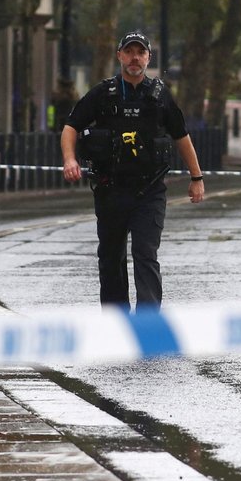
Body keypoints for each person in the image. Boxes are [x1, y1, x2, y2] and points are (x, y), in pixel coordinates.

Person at [61, 30, 205, 312]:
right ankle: (117, 323)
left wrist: (196, 178)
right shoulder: (103, 94)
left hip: (149, 191)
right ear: (120, 56)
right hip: (110, 189)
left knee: (145, 253)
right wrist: (70, 159)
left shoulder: (160, 96)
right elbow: (71, 127)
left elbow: (181, 136)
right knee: (111, 257)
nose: (135, 58)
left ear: (149, 58)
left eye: (140, 53)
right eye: (129, 52)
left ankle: (148, 323)